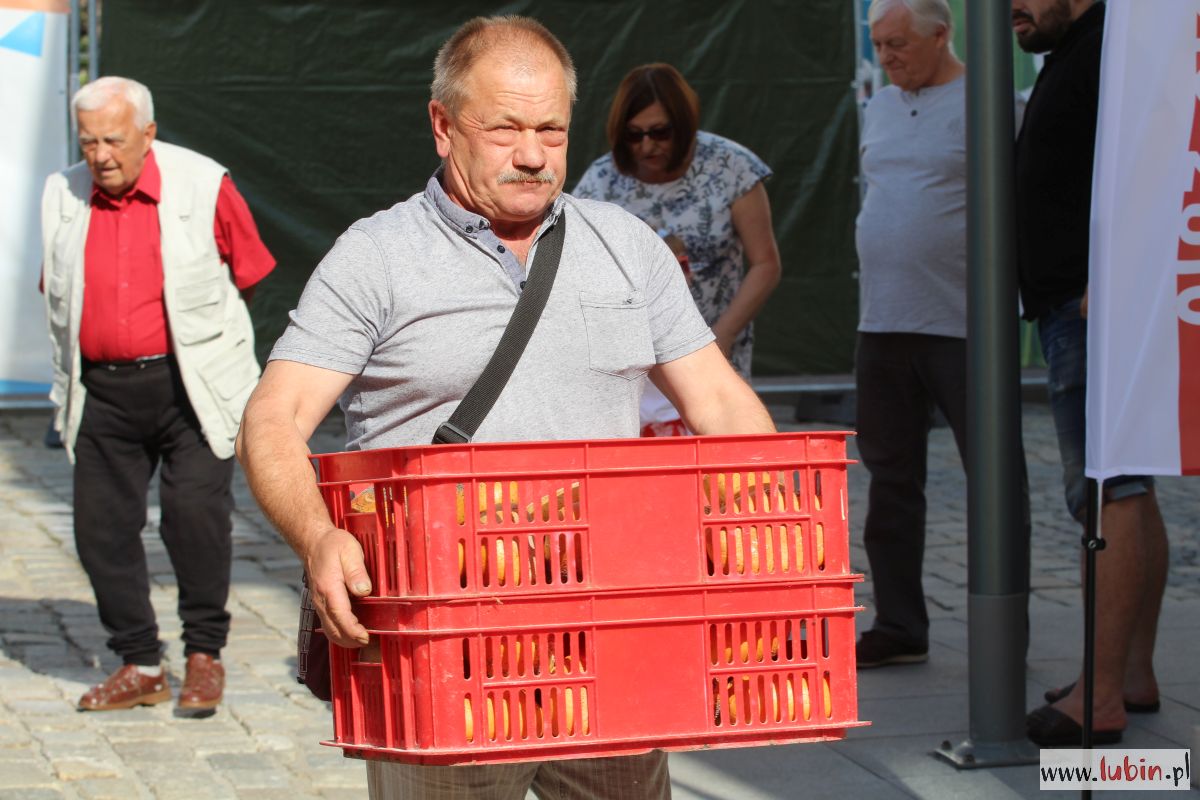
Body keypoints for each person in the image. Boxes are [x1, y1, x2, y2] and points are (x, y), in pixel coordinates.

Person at [235, 15, 775, 800]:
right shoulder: (377, 256)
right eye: (505, 129)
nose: (532, 155)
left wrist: (762, 530)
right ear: (443, 125)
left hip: (607, 643)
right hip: (442, 650)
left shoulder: (626, 244)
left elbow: (720, 401)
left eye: (551, 130)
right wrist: (317, 537)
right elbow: (273, 417)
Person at [39, 76, 276, 717]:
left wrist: (194, 342)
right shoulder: (61, 193)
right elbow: (56, 288)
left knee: (194, 519)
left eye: (113, 140)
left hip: (190, 388)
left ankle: (204, 654)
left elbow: (249, 274)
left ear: (147, 133)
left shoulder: (205, 183)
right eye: (88, 142)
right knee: (99, 530)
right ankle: (140, 662)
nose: (100, 156)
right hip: (102, 392)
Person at [1013, 0, 1169, 746]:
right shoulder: (1079, 50)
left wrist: (1112, 271)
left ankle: (1100, 695)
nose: (1011, 8)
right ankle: (1127, 674)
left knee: (1108, 494)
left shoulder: (1112, 46)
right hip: (1077, 303)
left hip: (1091, 307)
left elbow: (1151, 159)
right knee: (1127, 489)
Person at [852, 0, 968, 669]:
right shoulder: (882, 106)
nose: (886, 56)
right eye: (879, 44)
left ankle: (1005, 621)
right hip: (882, 319)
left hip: (962, 323)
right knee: (889, 479)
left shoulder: (991, 105)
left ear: (941, 34)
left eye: (898, 43)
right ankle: (899, 623)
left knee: (994, 478)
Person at [572, 62, 781, 383]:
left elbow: (766, 264)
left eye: (660, 132)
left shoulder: (731, 166)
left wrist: (723, 335)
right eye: (634, 135)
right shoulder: (601, 179)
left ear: (683, 125)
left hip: (715, 347)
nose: (647, 146)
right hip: (631, 361)